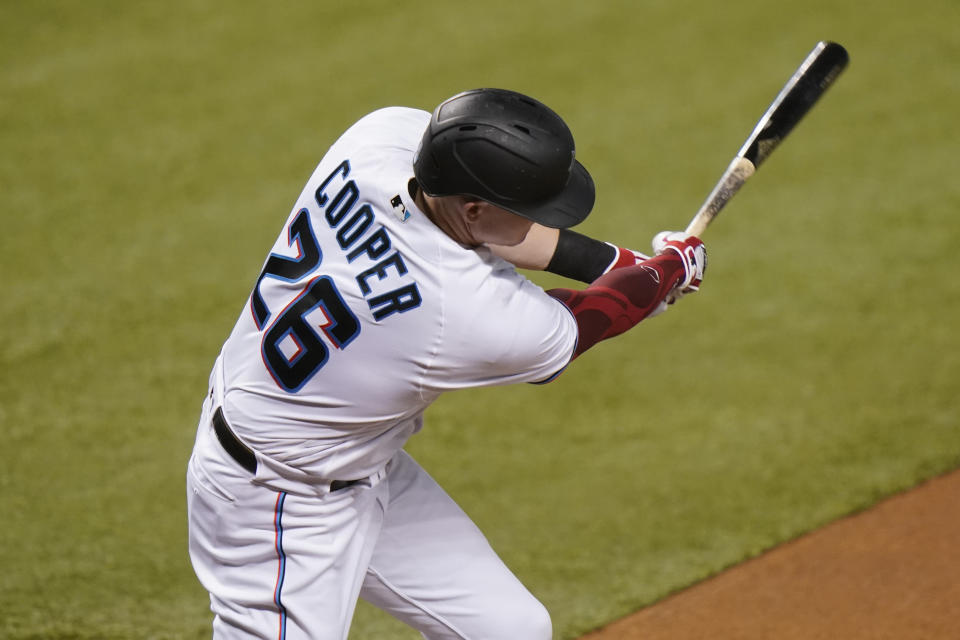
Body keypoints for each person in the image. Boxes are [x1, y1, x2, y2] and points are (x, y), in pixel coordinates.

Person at [186, 88, 706, 640]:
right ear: (475, 208)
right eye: (527, 211)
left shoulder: (376, 142)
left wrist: (620, 264)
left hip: (348, 454)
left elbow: (481, 232)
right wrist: (665, 272)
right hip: (275, 503)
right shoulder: (451, 312)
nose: (536, 220)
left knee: (509, 630)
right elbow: (580, 323)